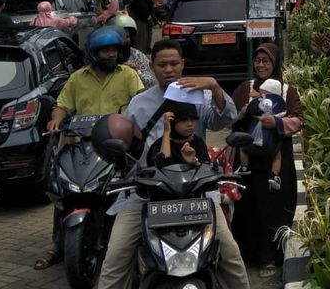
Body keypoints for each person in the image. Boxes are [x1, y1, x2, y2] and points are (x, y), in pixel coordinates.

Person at [95, 40, 245, 289]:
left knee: (230, 254)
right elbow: (130, 146)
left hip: (195, 193)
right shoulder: (139, 103)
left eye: (174, 63)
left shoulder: (200, 95)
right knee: (115, 258)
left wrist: (215, 86)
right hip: (147, 195)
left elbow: (225, 120)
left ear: (183, 64)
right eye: (162, 64)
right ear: (152, 67)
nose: (169, 69)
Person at [35, 27, 144, 270]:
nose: (111, 55)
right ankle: (57, 244)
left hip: (117, 146)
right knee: (65, 187)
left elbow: (141, 103)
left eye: (114, 50)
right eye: (105, 50)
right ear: (94, 53)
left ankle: (129, 239)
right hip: (81, 144)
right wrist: (56, 119)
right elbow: (62, 105)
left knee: (125, 189)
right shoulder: (77, 78)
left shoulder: (128, 75)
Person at [230, 43, 303, 280]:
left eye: (266, 61)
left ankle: (270, 257)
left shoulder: (287, 91)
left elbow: (299, 119)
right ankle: (250, 254)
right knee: (247, 205)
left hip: (275, 157)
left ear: (275, 64)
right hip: (249, 157)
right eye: (258, 61)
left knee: (273, 208)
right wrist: (244, 113)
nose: (261, 65)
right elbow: (232, 118)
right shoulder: (245, 88)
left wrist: (278, 124)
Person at [233, 78, 286, 190]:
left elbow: (249, 110)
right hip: (271, 146)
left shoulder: (258, 107)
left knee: (242, 147)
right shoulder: (278, 111)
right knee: (277, 156)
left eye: (262, 93)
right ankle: (275, 175)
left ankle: (244, 166)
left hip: (251, 144)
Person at [153, 100, 208, 167]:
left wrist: (194, 162)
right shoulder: (158, 145)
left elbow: (208, 170)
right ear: (172, 121)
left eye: (193, 119)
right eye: (184, 120)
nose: (190, 124)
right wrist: (167, 132)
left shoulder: (198, 143)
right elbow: (163, 169)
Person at [110, 14, 155, 88]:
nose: (124, 39)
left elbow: (151, 82)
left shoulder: (137, 55)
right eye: (120, 36)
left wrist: (136, 72)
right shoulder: (103, 56)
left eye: (127, 36)